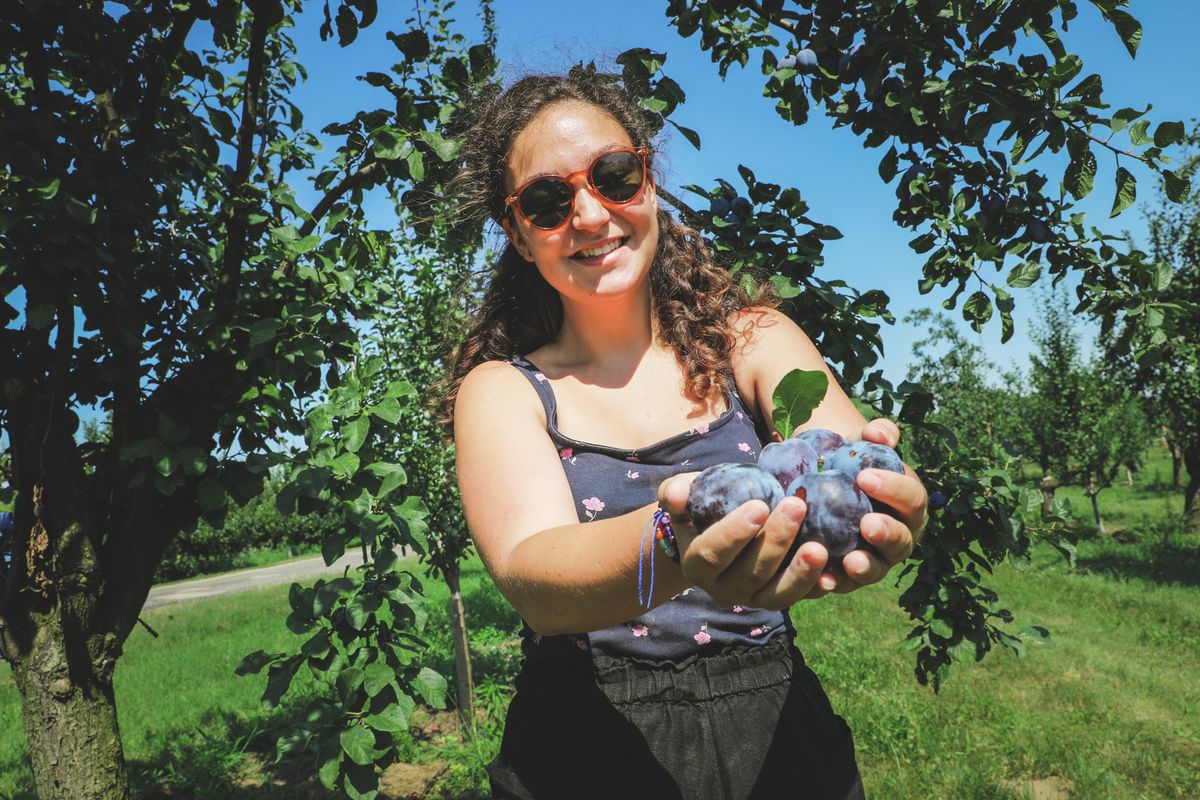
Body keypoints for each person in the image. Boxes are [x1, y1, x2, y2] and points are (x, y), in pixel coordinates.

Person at [444, 70, 928, 799]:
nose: (589, 213)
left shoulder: (753, 341)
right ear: (517, 234)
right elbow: (533, 576)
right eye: (547, 201)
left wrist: (885, 496)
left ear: (647, 181)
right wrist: (682, 542)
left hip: (776, 735)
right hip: (586, 745)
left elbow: (840, 459)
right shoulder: (504, 390)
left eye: (613, 176)